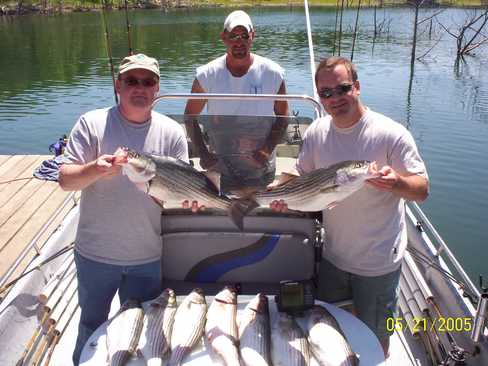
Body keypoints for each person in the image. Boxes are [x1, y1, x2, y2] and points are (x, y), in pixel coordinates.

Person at [270, 56, 429, 357]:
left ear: (356, 87)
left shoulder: (389, 133)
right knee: (330, 330)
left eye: (342, 89)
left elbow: (421, 190)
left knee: (376, 337)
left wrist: (397, 182)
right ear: (320, 97)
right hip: (334, 258)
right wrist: (282, 197)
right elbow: (304, 182)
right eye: (326, 93)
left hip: (378, 263)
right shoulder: (317, 132)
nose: (335, 98)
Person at [58, 53, 190, 365]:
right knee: (91, 326)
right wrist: (95, 169)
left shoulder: (172, 132)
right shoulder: (92, 123)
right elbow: (65, 180)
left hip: (146, 255)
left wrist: (185, 200)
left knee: (143, 332)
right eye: (132, 80)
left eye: (148, 82)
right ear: (119, 85)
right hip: (95, 256)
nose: (140, 88)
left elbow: (180, 190)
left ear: (157, 88)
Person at [184, 10, 289, 192]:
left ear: (252, 36)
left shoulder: (273, 73)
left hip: (261, 167)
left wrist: (266, 149)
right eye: (233, 36)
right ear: (223, 37)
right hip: (220, 166)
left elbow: (283, 116)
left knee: (259, 217)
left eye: (244, 35)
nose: (239, 42)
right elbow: (189, 116)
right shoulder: (207, 74)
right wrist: (203, 153)